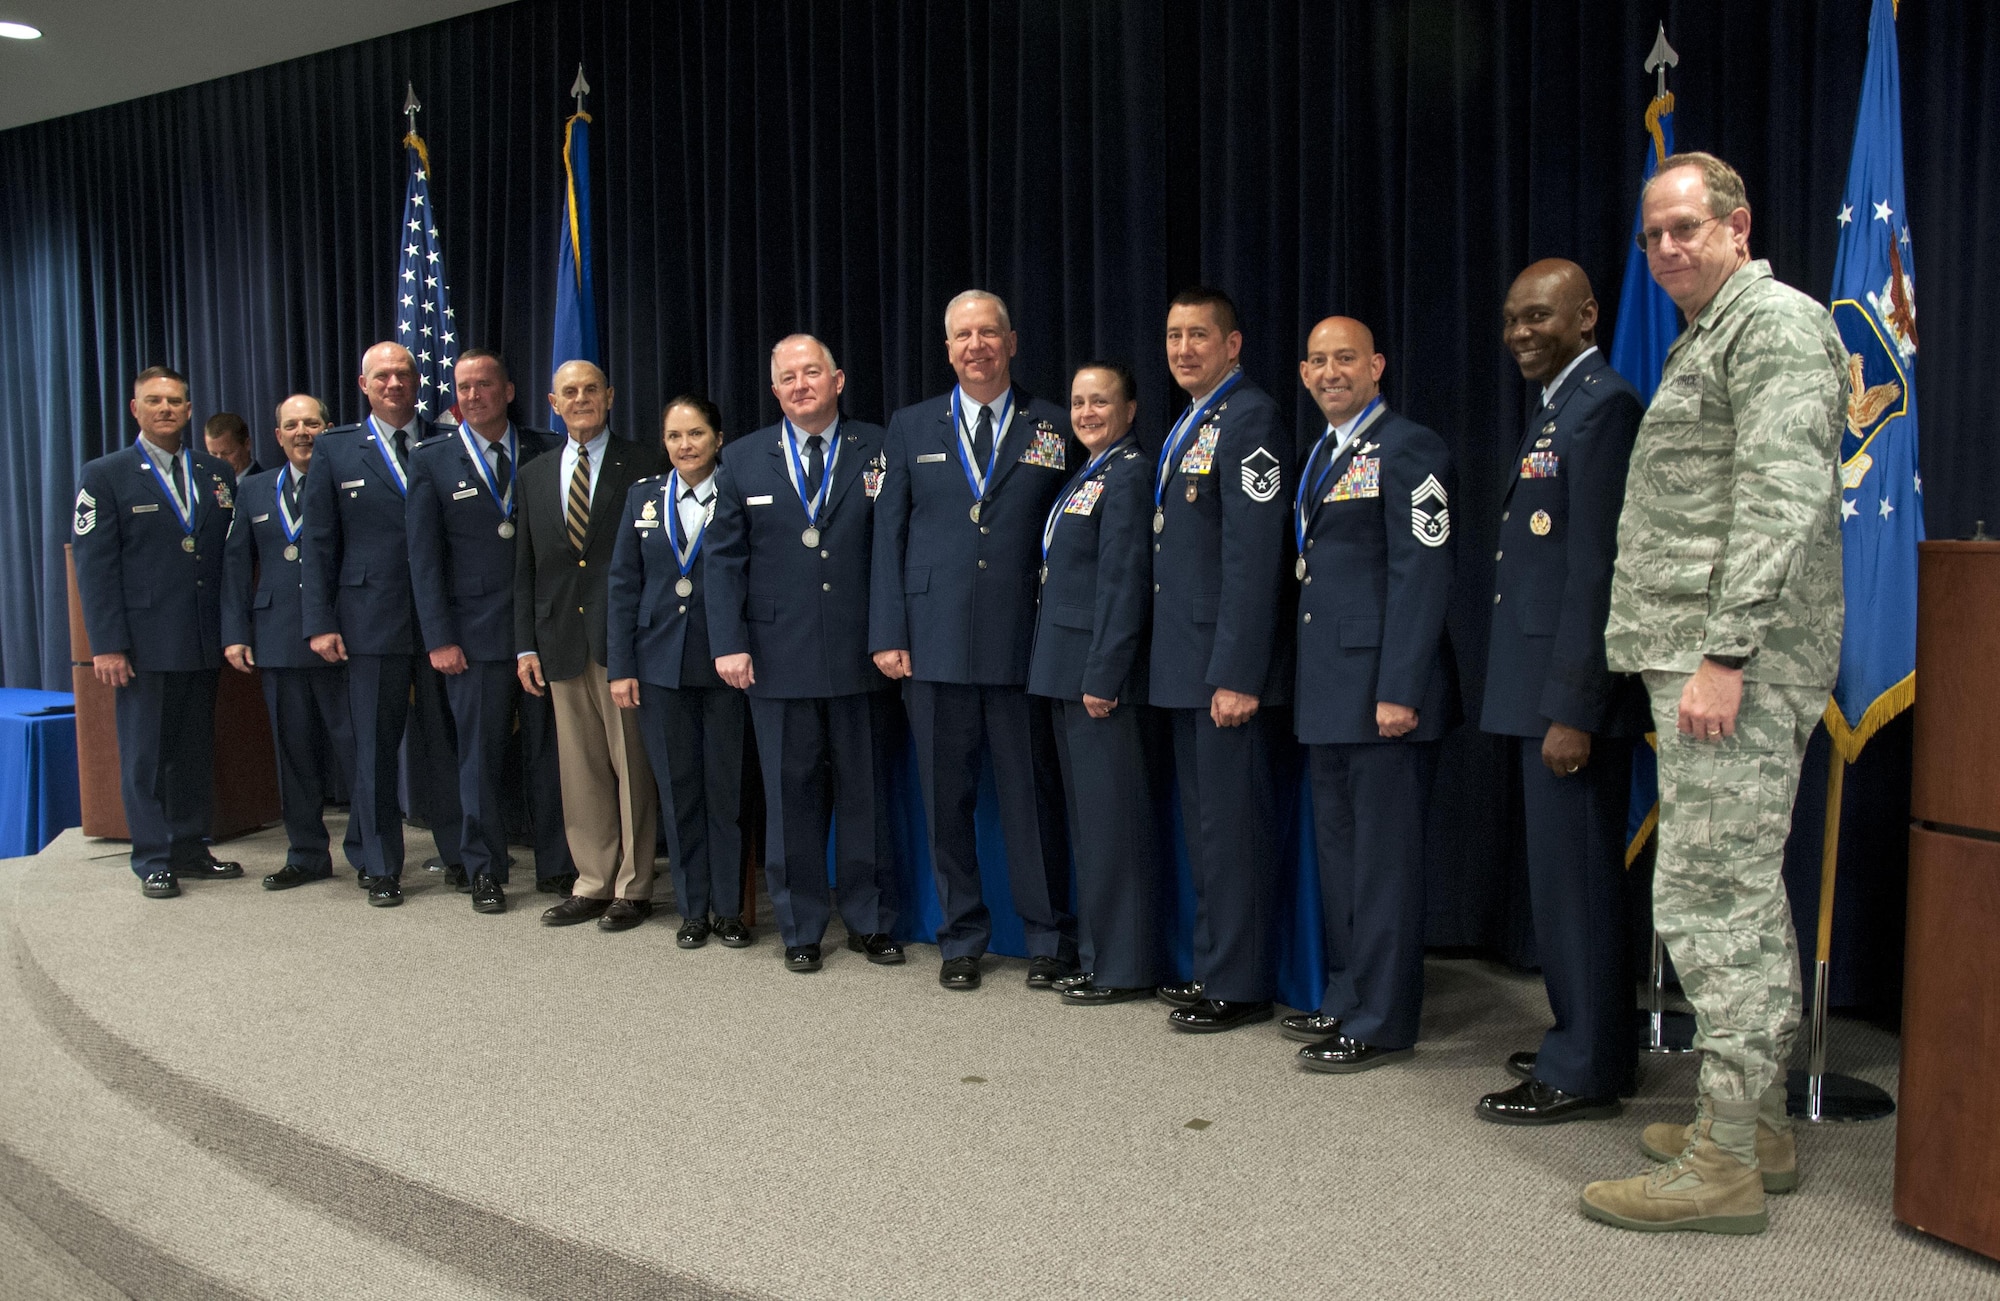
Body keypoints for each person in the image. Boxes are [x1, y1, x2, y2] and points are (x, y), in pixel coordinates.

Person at [1581, 152, 1846, 1235]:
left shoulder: (1771, 324)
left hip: (1730, 661)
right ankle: (1759, 1121)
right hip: (1702, 653)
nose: (1665, 249)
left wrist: (1724, 653)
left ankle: (1723, 1160)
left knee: (1709, 899)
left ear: (1737, 227)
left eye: (1685, 227)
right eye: (1651, 235)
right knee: (1734, 890)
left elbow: (1779, 494)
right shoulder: (1714, 333)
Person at [1474, 260, 1647, 1124]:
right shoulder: (1560, 407)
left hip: (1568, 699)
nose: (1520, 334)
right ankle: (1591, 1039)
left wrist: (1575, 704)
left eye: (1538, 316)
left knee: (1576, 886)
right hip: (1540, 689)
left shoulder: (1604, 405)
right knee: (1565, 885)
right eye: (1511, 320)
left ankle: (1582, 1068)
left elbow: (1596, 569)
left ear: (1585, 316)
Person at [869, 291, 1079, 992]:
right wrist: (888, 632)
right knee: (946, 802)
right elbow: (887, 536)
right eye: (963, 334)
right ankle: (960, 937)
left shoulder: (1054, 424)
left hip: (1024, 646)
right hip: (930, 648)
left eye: (989, 332)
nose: (976, 345)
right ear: (948, 346)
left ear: (1012, 342)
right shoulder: (909, 424)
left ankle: (1049, 937)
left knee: (1031, 799)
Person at [707, 337, 904, 973]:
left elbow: (896, 546)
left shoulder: (880, 447)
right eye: (787, 378)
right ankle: (800, 926)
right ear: (774, 391)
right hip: (775, 658)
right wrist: (729, 642)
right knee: (791, 800)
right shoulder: (739, 460)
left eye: (811, 372)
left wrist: (891, 632)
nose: (800, 385)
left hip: (861, 654)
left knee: (864, 796)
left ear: (838, 379)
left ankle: (870, 922)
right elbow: (723, 560)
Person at [1288, 316, 1454, 1072]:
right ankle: (1351, 994)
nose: (1330, 372)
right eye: (1318, 360)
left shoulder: (1408, 446)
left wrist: (1400, 687)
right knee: (1342, 858)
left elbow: (1421, 572)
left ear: (1377, 366)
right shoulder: (1322, 453)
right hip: (1327, 690)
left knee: (1382, 865)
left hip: (1382, 695)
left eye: (1345, 358)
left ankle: (1383, 1018)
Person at [1147, 287, 1289, 1033]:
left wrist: (1238, 670)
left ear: (1232, 345)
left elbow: (1253, 553)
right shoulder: (1192, 421)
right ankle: (1213, 965)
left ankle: (1239, 981)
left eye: (1199, 335)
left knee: (1232, 829)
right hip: (1183, 662)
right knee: (1207, 826)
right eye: (1173, 336)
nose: (1183, 349)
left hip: (1221, 668)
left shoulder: (1251, 417)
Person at [407, 349, 576, 914]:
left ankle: (557, 865)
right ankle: (484, 869)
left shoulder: (549, 449)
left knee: (548, 754)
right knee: (477, 757)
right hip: (472, 639)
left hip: (543, 633)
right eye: (463, 386)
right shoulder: (432, 459)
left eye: (484, 385)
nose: (473, 395)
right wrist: (439, 637)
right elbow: (424, 559)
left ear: (508, 391)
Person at [300, 341, 464, 907]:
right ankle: (378, 864)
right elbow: (318, 542)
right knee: (374, 746)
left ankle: (460, 855)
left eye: (405, 373)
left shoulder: (448, 442)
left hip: (443, 621)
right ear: (364, 384)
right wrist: (319, 621)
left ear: (419, 381)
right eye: (383, 375)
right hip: (370, 619)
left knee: (446, 744)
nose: (395, 383)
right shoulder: (336, 450)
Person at [71, 366, 244, 897]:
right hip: (143, 646)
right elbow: (94, 568)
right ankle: (152, 856)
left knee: (194, 752)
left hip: (199, 638)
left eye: (175, 401)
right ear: (136, 409)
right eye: (154, 401)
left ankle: (190, 847)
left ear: (190, 411)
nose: (165, 409)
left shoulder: (216, 473)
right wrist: (108, 645)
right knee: (145, 756)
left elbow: (227, 559)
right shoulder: (105, 474)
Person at [1027, 362, 1166, 1005]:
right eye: (1078, 401)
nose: (1086, 412)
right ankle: (1099, 954)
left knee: (1114, 826)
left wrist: (1104, 673)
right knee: (1091, 825)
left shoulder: (1130, 474)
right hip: (1064, 669)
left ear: (1130, 409)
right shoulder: (1089, 472)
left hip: (1097, 675)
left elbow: (1123, 583)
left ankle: (1124, 966)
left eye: (1100, 401)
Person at [516, 360, 662, 932]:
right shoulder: (532, 474)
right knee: (579, 773)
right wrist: (524, 646)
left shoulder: (646, 463)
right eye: (569, 392)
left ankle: (634, 886)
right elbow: (525, 568)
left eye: (590, 390)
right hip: (558, 642)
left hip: (622, 641)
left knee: (632, 768)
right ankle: (593, 882)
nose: (580, 399)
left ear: (610, 396)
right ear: (553, 403)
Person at [605, 396, 753, 951]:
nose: (685, 445)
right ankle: (692, 909)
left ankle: (729, 910)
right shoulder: (644, 497)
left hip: (726, 665)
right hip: (659, 667)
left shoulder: (738, 493)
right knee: (679, 790)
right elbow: (622, 586)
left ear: (718, 438)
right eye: (674, 436)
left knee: (727, 791)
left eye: (695, 434)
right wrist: (621, 666)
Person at [220, 393, 364, 889]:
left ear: (328, 429)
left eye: (312, 423)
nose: (303, 432)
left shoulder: (351, 481)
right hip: (278, 640)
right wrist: (236, 633)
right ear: (277, 436)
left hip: (342, 637)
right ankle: (305, 854)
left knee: (357, 751)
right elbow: (236, 565)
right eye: (292, 425)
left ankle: (369, 853)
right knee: (295, 755)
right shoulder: (255, 490)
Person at [203, 412, 262, 481]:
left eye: (227, 453)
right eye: (213, 454)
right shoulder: (205, 486)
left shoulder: (266, 485)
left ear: (247, 444)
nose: (219, 460)